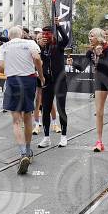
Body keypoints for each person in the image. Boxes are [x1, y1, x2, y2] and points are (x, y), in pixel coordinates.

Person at [0, 26, 45, 174]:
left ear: (9, 37)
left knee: (16, 120)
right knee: (28, 117)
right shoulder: (30, 43)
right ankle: (28, 150)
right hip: (29, 80)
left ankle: (22, 152)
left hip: (12, 81)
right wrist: (41, 76)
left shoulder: (4, 46)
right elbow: (36, 58)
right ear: (22, 35)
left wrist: (10, 67)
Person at [77, 28, 108, 152]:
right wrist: (71, 63)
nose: (90, 38)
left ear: (98, 37)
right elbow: (82, 67)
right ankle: (99, 142)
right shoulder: (90, 52)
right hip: (99, 81)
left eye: (92, 36)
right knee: (99, 112)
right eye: (89, 36)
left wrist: (100, 55)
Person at [37, 18, 70, 148]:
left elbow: (66, 40)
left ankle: (64, 136)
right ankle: (46, 137)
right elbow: (41, 60)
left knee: (61, 108)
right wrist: (40, 45)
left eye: (48, 34)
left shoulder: (59, 45)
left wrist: (59, 26)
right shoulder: (43, 48)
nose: (45, 36)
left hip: (60, 82)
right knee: (45, 109)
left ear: (53, 34)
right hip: (47, 82)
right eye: (43, 34)